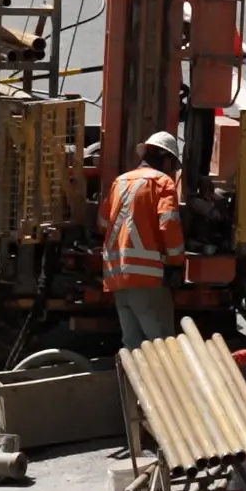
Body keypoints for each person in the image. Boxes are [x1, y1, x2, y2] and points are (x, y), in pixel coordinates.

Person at [102, 131, 186, 349]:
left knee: (134, 347)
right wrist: (176, 263)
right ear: (165, 158)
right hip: (147, 278)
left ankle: (132, 384)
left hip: (117, 278)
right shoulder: (162, 182)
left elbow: (102, 222)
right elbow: (168, 225)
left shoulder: (119, 182)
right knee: (162, 347)